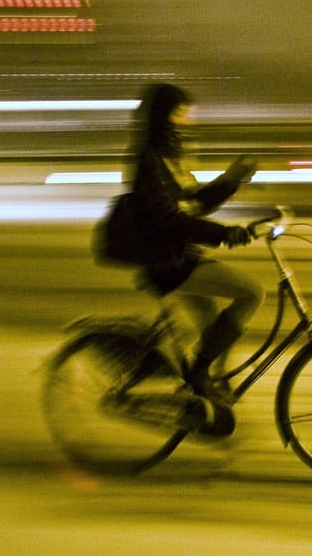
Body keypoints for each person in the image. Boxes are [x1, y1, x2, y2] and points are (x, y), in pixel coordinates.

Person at [126, 83, 264, 416]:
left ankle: (205, 397)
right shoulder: (149, 162)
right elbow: (171, 221)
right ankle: (200, 377)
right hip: (167, 262)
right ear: (163, 117)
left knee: (213, 330)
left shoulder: (169, 158)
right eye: (180, 114)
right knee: (251, 293)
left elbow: (194, 205)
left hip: (180, 256)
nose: (186, 122)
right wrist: (223, 234)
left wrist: (231, 180)